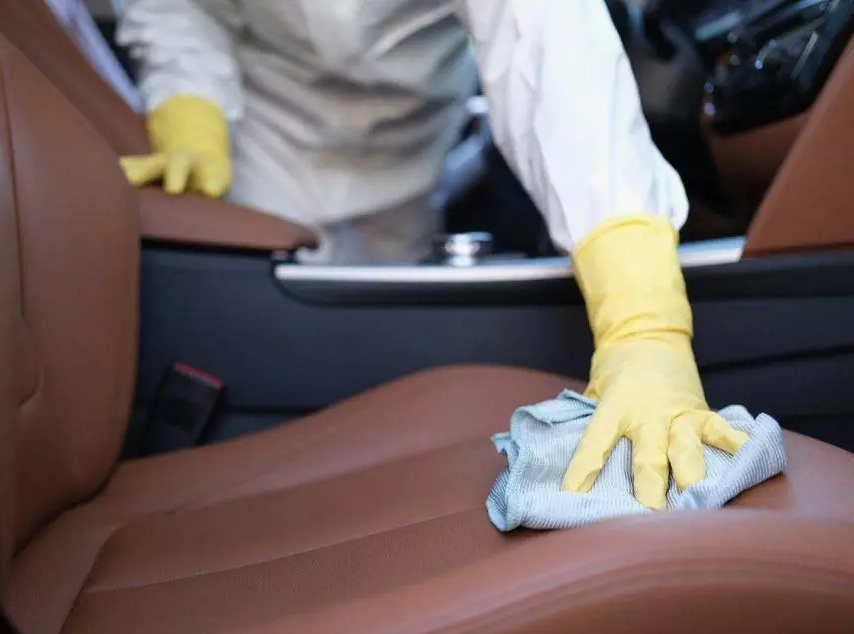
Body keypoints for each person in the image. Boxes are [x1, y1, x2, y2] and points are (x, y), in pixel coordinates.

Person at [117, 0, 749, 509]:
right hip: (262, 124)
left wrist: (643, 321)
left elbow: (547, 40)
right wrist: (188, 111)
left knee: (369, 347)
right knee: (277, 337)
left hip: (410, 138)